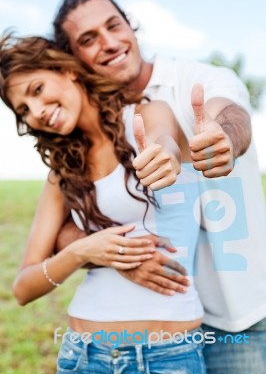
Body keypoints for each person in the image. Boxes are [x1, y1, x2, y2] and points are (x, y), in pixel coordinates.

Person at [52, 0, 266, 374]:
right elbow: (67, 229)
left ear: (130, 25)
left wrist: (224, 139)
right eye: (88, 39)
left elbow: (230, 112)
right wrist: (121, 257)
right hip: (167, 327)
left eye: (113, 25)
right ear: (73, 60)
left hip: (240, 316)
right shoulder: (89, 128)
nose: (109, 43)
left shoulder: (197, 80)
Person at [0, 33, 208, 373]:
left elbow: (164, 141)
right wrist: (84, 251)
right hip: (85, 355)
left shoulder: (146, 115)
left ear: (67, 70)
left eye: (37, 90)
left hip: (170, 356)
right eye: (24, 109)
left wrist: (164, 156)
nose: (36, 111)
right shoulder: (62, 172)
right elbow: (23, 288)